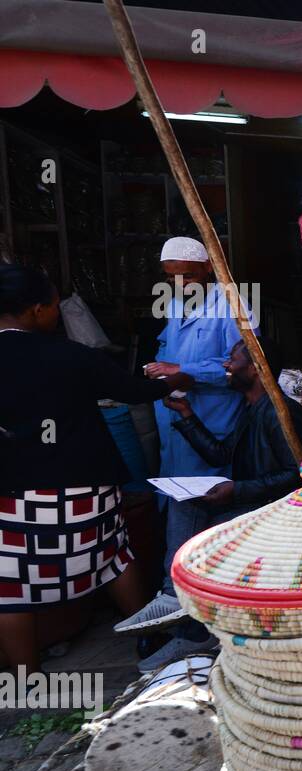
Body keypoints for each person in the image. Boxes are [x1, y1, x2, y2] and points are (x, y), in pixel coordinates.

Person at [0, 265, 185, 671]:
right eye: (52, 305)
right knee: (113, 556)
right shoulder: (72, 355)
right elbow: (135, 391)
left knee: (10, 588)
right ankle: (148, 640)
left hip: (13, 494)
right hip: (86, 487)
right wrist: (175, 379)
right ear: (35, 310)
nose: (57, 313)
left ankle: (25, 680)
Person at [133, 338, 302, 673]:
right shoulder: (253, 408)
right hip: (254, 502)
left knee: (207, 538)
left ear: (255, 368)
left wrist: (236, 490)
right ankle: (174, 597)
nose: (226, 366)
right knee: (184, 505)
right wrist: (187, 415)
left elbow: (300, 475)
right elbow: (222, 456)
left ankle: (194, 631)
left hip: (278, 510)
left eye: (233, 360)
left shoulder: (282, 413)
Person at [118, 236, 250, 640]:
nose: (180, 282)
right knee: (177, 507)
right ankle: (179, 607)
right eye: (172, 276)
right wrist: (160, 371)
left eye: (188, 275)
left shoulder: (233, 303)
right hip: (176, 421)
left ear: (208, 268)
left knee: (204, 516)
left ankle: (199, 614)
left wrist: (183, 369)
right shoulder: (175, 304)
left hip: (211, 421)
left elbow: (244, 365)